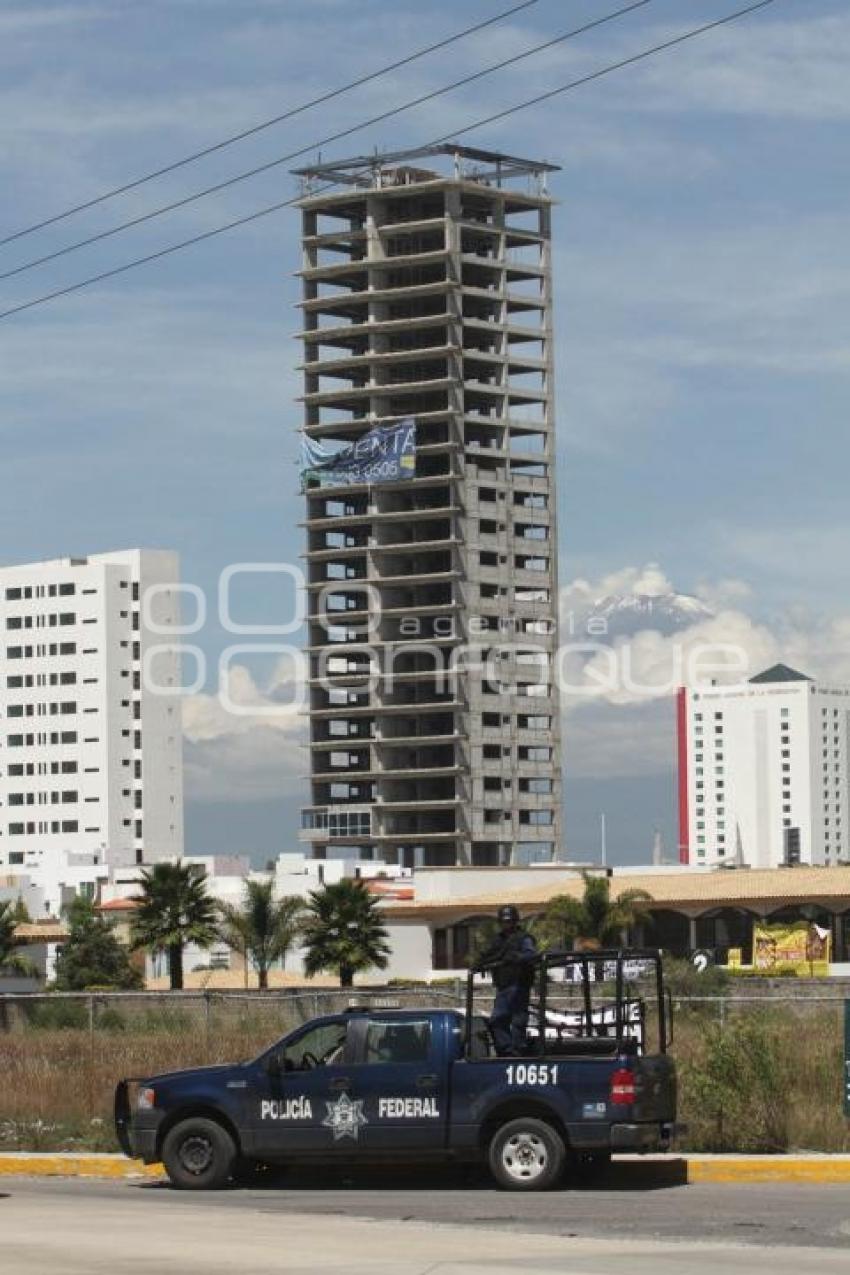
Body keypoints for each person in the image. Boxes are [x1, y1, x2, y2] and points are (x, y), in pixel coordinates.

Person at [477, 905, 538, 1057]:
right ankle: (507, 1049)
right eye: (504, 922)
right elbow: (489, 954)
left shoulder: (523, 938)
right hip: (503, 986)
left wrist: (518, 957)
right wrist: (479, 963)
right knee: (498, 1020)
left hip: (518, 985)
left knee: (516, 1020)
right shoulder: (499, 940)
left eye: (509, 921)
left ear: (515, 921)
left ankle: (517, 1049)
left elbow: (531, 954)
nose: (507, 925)